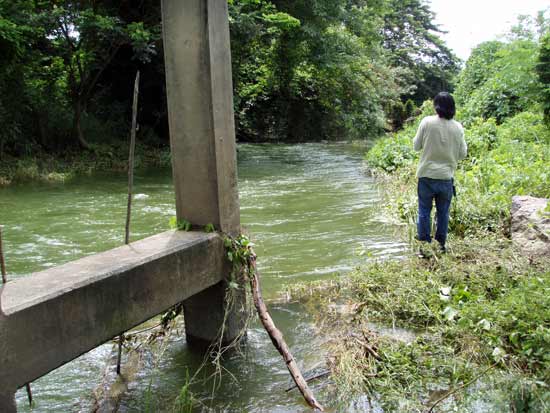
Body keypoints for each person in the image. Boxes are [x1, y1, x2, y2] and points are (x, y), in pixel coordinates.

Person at [413, 92, 467, 253]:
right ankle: (441, 245)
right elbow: (463, 154)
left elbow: (416, 146)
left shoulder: (427, 122)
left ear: (436, 105)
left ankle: (424, 246)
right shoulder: (458, 127)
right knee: (443, 213)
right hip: (445, 178)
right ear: (452, 107)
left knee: (424, 211)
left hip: (426, 175)